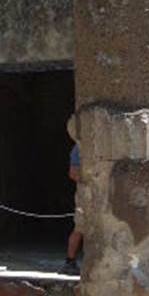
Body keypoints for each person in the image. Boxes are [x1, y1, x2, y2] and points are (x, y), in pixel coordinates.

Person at [64, 115, 82, 275]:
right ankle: (69, 261)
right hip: (85, 193)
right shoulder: (78, 148)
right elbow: (73, 173)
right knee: (80, 227)